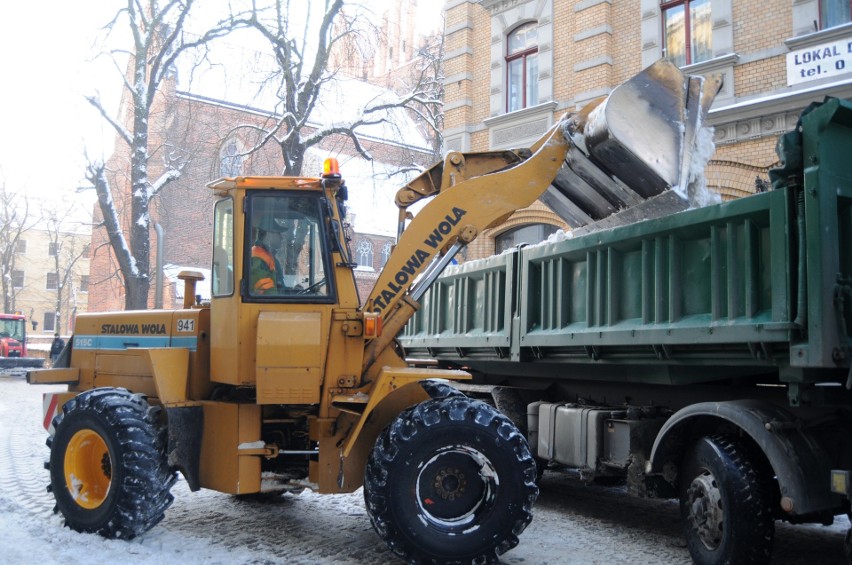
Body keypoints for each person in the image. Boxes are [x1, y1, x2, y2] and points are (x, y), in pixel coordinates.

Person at [250, 214, 287, 295]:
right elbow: (265, 292)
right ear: (269, 234)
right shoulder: (257, 257)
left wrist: (291, 290)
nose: (281, 237)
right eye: (278, 233)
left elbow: (276, 286)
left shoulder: (268, 256)